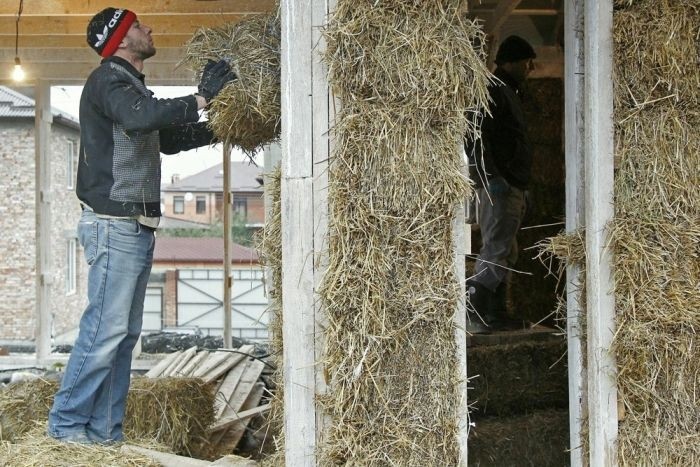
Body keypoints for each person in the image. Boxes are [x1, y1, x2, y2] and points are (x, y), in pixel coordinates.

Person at [47, 7, 235, 444]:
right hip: (114, 224)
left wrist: (222, 125)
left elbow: (164, 138)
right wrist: (201, 98)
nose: (148, 28)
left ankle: (103, 434)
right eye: (137, 25)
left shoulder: (131, 88)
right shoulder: (109, 80)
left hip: (133, 226)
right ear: (120, 40)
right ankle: (65, 427)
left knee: (124, 337)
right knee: (105, 331)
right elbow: (142, 118)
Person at [464, 35, 536, 333]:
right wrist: (492, 177)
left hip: (511, 183)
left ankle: (496, 313)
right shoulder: (494, 90)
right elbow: (476, 136)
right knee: (495, 249)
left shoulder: (508, 91)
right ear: (509, 62)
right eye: (525, 62)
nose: (530, 68)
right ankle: (477, 308)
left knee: (506, 250)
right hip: (500, 186)